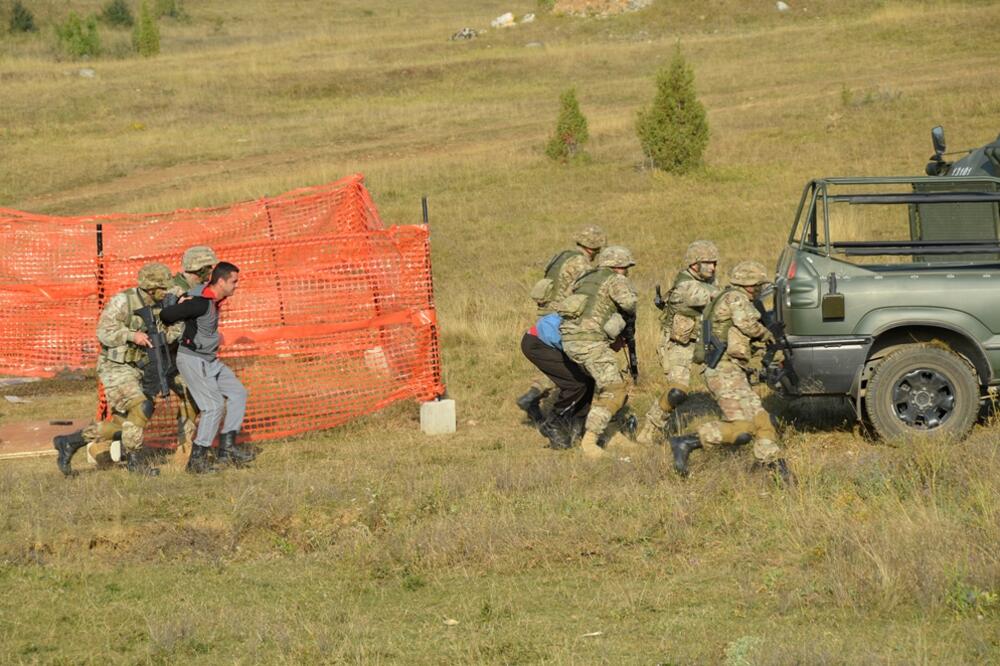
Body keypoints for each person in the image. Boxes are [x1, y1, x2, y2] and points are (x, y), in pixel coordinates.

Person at [52, 263, 182, 477]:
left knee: (125, 424)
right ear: (151, 288)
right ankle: (135, 464)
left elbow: (167, 333)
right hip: (116, 367)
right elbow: (104, 332)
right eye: (163, 288)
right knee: (142, 407)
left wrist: (176, 325)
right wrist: (132, 335)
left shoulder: (162, 303)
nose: (167, 291)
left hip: (142, 368)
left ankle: (70, 442)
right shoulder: (124, 301)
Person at [668, 260, 791, 482]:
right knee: (742, 429)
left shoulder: (730, 296)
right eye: (759, 286)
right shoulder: (736, 298)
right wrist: (768, 334)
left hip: (732, 370)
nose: (761, 290)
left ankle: (775, 468)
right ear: (750, 285)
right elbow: (747, 325)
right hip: (722, 370)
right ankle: (687, 442)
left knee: (763, 420)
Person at [159, 261, 255, 473]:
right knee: (213, 406)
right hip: (193, 359)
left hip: (209, 359)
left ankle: (227, 448)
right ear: (221, 281)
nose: (236, 286)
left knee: (238, 393)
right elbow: (166, 315)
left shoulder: (212, 298)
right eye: (233, 281)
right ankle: (197, 460)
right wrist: (177, 302)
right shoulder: (200, 302)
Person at [517, 224, 607, 426]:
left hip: (545, 314)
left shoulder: (560, 256)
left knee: (558, 362)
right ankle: (559, 416)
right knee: (570, 365)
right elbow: (584, 291)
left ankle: (533, 396)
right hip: (560, 316)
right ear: (594, 248)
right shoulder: (581, 264)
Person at [637, 240, 721, 444]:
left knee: (724, 382)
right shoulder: (687, 287)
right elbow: (717, 298)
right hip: (678, 345)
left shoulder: (707, 281)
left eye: (714, 262)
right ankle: (649, 430)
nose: (713, 267)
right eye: (708, 262)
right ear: (694, 265)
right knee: (678, 391)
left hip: (702, 340)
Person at [559, 246, 638, 459]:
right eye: (626, 268)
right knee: (615, 389)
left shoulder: (584, 278)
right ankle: (590, 441)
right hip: (590, 342)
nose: (627, 272)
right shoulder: (616, 280)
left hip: (569, 340)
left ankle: (613, 435)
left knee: (606, 385)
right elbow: (629, 303)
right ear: (618, 267)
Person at [167, 246, 219, 452]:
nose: (210, 274)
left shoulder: (189, 290)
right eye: (208, 269)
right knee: (137, 409)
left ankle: (186, 446)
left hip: (182, 357)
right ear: (200, 269)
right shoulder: (176, 292)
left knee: (194, 397)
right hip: (166, 358)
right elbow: (170, 329)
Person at [520, 313, 595, 449]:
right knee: (575, 384)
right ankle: (553, 424)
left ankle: (576, 429)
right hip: (537, 343)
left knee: (588, 381)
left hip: (550, 340)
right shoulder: (593, 331)